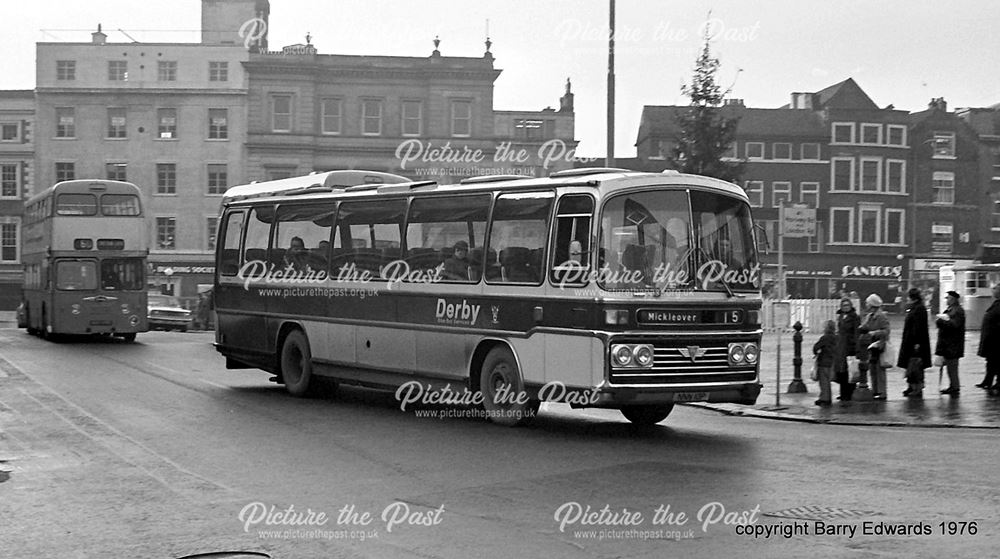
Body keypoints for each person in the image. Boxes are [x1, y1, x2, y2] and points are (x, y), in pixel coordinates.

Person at [897, 287, 931, 399]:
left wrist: (917, 343)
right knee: (910, 365)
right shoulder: (914, 308)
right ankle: (911, 386)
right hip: (909, 341)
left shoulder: (919, 309)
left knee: (916, 366)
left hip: (915, 342)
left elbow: (919, 327)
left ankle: (917, 387)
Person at [860, 293, 891, 400]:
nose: (866, 305)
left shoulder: (881, 316)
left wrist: (874, 333)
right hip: (871, 346)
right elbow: (865, 326)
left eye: (868, 303)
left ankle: (882, 392)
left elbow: (886, 331)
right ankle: (875, 390)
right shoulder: (869, 316)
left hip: (879, 346)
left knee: (880, 369)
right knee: (872, 368)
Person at [935, 290, 965, 395]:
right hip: (948, 344)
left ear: (953, 299)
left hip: (953, 344)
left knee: (952, 367)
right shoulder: (951, 309)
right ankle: (953, 386)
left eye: (948, 298)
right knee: (950, 367)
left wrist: (942, 321)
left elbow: (955, 325)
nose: (946, 300)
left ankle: (955, 387)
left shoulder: (957, 311)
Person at [834, 297, 860, 401]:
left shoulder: (855, 317)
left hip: (849, 345)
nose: (846, 307)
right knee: (841, 370)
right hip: (840, 346)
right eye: (844, 305)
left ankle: (849, 393)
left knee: (850, 370)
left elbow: (856, 333)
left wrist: (855, 347)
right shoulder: (840, 316)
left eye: (847, 305)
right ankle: (843, 392)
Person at [977, 283, 1000, 395]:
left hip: (996, 340)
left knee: (996, 362)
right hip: (991, 339)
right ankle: (988, 381)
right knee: (990, 362)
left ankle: (997, 382)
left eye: (995, 289)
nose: (993, 290)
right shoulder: (996, 303)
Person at [812, 320, 837, 406]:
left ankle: (825, 398)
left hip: (824, 361)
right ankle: (827, 397)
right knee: (828, 381)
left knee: (824, 381)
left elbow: (816, 347)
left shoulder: (825, 338)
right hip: (833, 361)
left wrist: (816, 352)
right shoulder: (836, 337)